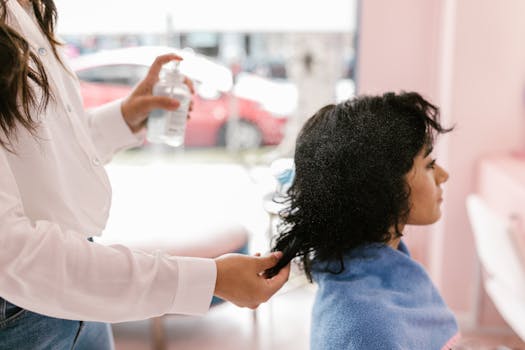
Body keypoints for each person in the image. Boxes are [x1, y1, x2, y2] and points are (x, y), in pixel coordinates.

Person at [0, 0, 290, 348]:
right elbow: (13, 253)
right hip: (20, 315)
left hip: (80, 289)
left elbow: (41, 150)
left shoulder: (31, 11)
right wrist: (207, 280)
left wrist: (125, 115)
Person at [265, 92, 460, 349]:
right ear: (382, 185)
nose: (444, 176)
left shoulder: (385, 273)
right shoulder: (371, 331)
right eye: (429, 164)